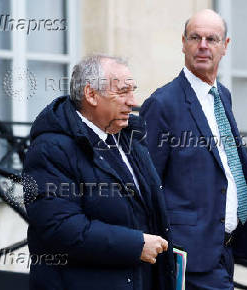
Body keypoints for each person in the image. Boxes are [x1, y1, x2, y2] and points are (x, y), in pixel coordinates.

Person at [23, 54, 175, 290]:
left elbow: (148, 211)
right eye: (123, 92)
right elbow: (59, 228)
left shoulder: (131, 139)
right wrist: (135, 245)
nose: (133, 101)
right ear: (91, 95)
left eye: (132, 90)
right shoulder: (50, 148)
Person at [140, 9, 247, 289]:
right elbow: (147, 185)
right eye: (195, 37)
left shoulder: (222, 95)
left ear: (225, 46)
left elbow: (226, 164)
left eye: (212, 38)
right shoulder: (162, 104)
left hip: (225, 249)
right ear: (183, 43)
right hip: (189, 255)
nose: (203, 46)